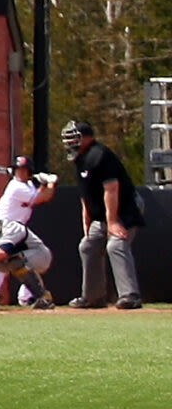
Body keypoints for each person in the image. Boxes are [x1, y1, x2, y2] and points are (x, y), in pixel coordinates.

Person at [62, 119, 145, 309]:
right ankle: (93, 297)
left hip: (125, 208)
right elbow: (85, 194)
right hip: (102, 213)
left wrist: (113, 221)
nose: (69, 143)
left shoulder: (99, 155)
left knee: (116, 245)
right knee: (87, 246)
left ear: (87, 138)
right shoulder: (79, 159)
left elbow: (112, 189)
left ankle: (130, 296)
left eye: (73, 138)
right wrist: (87, 221)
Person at [0, 198, 55, 309]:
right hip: (10, 260)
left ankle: (43, 298)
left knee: (15, 261)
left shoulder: (9, 227)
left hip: (39, 256)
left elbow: (1, 253)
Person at [0, 155, 57, 304]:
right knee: (3, 261)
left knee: (24, 261)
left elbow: (37, 195)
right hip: (5, 226)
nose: (20, 173)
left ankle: (25, 297)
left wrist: (42, 182)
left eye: (24, 170)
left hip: (17, 229)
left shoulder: (26, 186)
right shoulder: (16, 186)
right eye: (18, 170)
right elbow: (43, 197)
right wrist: (51, 183)